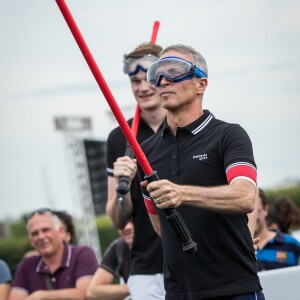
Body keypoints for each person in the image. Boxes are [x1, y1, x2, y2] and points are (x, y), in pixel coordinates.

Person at [137, 44, 264, 299]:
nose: (162, 81)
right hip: (179, 292)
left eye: (174, 72)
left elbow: (245, 197)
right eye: (157, 74)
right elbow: (159, 224)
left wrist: (182, 193)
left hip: (234, 287)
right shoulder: (146, 151)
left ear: (201, 84)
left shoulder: (229, 135)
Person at [106, 42, 166, 299]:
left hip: (195, 259)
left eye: (148, 78)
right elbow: (117, 219)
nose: (142, 87)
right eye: (134, 80)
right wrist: (123, 186)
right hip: (147, 269)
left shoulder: (186, 125)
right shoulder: (118, 137)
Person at [8, 208, 98, 300]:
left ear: (61, 231)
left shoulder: (82, 254)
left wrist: (41, 296)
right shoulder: (27, 265)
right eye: (35, 233)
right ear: (30, 240)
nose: (41, 237)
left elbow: (86, 294)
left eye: (45, 230)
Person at [255, 188, 300, 271]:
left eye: (254, 211)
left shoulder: (293, 245)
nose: (250, 217)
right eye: (244, 211)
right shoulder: (236, 249)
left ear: (265, 209)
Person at [87, 220, 133, 300]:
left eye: (133, 220)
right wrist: (136, 286)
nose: (127, 227)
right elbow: (93, 292)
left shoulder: (159, 242)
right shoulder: (118, 248)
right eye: (121, 222)